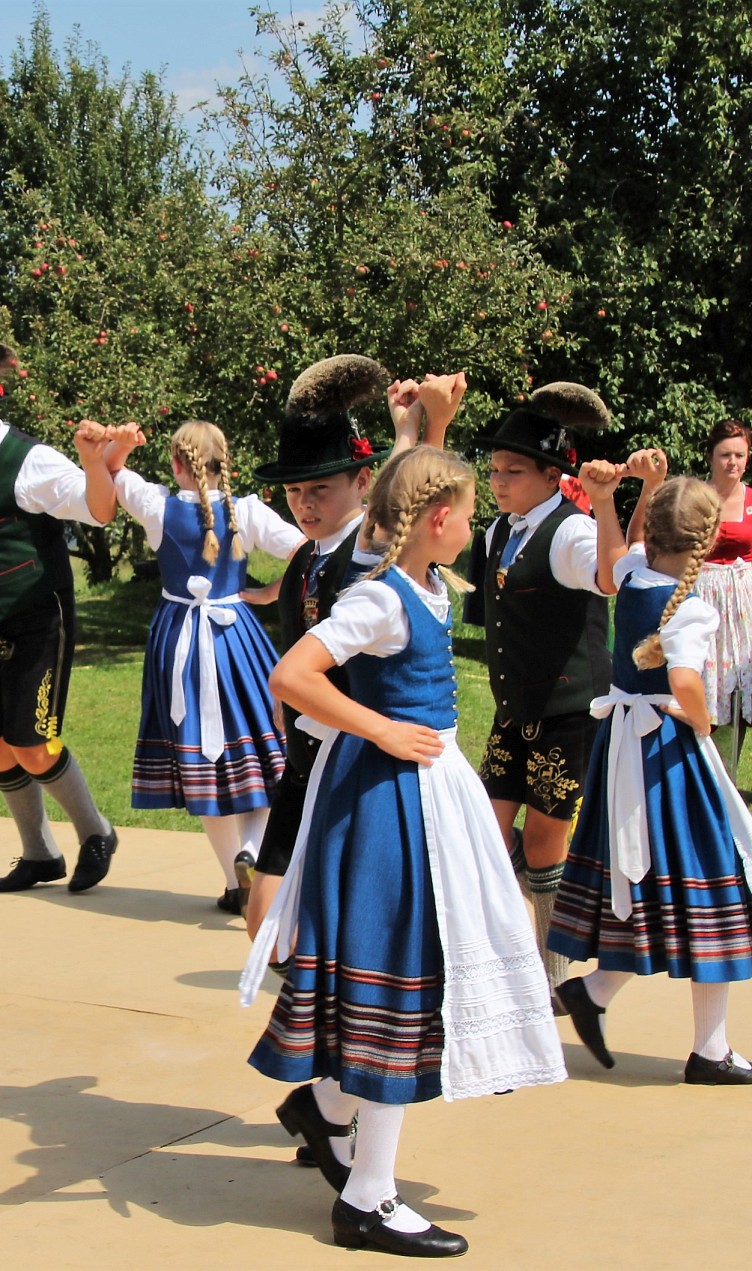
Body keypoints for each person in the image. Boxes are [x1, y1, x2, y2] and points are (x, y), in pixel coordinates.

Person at [245, 446, 564, 1258]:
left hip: (427, 795)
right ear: (437, 518)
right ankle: (367, 1196)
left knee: (419, 977)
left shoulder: (427, 587)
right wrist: (382, 728)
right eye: (468, 512)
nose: (475, 525)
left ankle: (329, 1111)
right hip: (390, 805)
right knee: (404, 980)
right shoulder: (381, 597)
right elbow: (294, 674)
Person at [552, 474, 752, 1084]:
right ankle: (709, 1049)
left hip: (623, 748)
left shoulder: (635, 576)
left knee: (646, 883)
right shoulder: (689, 607)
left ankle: (597, 991)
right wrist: (702, 718)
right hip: (666, 754)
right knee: (714, 884)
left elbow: (614, 557)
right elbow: (686, 680)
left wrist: (608, 502)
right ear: (709, 541)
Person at [246, 361, 466, 934]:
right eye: (294, 491)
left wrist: (418, 429)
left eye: (320, 488)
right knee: (265, 925)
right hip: (303, 763)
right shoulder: (303, 557)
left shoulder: (371, 557)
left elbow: (414, 495)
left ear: (364, 483)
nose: (305, 503)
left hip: (355, 763)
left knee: (341, 923)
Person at [0, 342, 120, 893]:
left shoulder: (33, 461)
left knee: (32, 744)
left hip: (36, 617)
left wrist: (92, 462)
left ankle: (96, 831)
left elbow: (100, 511)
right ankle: (39, 854)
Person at [85, 418, 302, 911]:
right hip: (236, 637)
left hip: (178, 641)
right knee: (267, 753)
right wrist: (270, 592)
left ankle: (233, 882)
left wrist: (121, 445)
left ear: (176, 463)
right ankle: (253, 851)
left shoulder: (156, 506)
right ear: (225, 463)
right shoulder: (246, 511)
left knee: (201, 760)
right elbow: (306, 551)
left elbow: (112, 472)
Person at [468, 383, 616, 1003]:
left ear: (553, 476)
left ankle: (551, 977)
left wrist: (605, 506)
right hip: (515, 710)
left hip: (569, 711)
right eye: (495, 470)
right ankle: (521, 952)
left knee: (543, 840)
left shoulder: (571, 531)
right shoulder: (497, 534)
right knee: (485, 830)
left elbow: (608, 576)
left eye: (514, 471)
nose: (499, 482)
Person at [691, 420, 752, 778]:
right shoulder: (694, 498)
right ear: (711, 457)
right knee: (700, 675)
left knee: (737, 680)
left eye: (739, 455)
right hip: (701, 590)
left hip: (742, 597)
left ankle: (728, 772)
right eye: (725, 454)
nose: (733, 462)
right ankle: (697, 768)